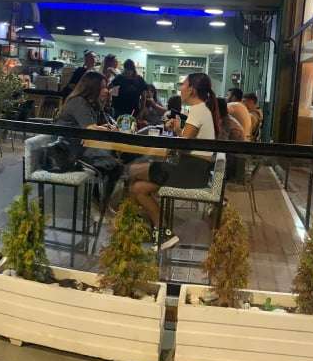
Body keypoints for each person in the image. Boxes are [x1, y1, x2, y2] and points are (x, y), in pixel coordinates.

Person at [127, 72, 219, 250]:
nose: (180, 88)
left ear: (191, 89)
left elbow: (182, 145)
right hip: (194, 170)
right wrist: (178, 129)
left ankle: (133, 225)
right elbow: (187, 142)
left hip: (190, 171)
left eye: (183, 84)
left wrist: (176, 132)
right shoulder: (202, 110)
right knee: (138, 188)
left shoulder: (198, 110)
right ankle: (162, 233)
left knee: (131, 170)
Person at [55, 71, 123, 206]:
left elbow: (92, 127)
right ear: (93, 87)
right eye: (103, 87)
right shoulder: (78, 102)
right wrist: (108, 129)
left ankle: (100, 202)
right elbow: (90, 129)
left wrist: (103, 125)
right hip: (69, 152)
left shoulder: (88, 103)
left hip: (80, 146)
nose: (106, 90)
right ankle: (99, 205)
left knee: (115, 161)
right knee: (114, 165)